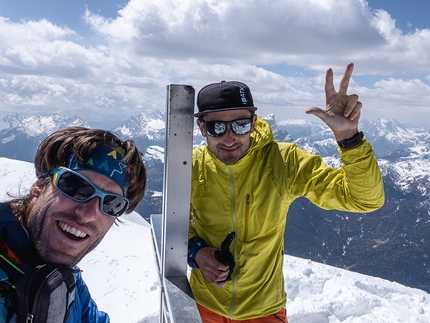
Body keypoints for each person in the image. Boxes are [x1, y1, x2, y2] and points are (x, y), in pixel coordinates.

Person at [187, 63, 385, 322]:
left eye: (240, 126)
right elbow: (171, 224)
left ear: (254, 123)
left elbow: (365, 199)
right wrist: (197, 252)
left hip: (264, 309)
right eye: (216, 128)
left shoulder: (284, 162)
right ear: (202, 128)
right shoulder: (190, 166)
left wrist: (348, 136)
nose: (229, 138)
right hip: (203, 304)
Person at [0, 126, 146, 322]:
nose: (87, 215)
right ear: (39, 185)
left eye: (112, 204)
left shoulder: (67, 282)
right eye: (75, 186)